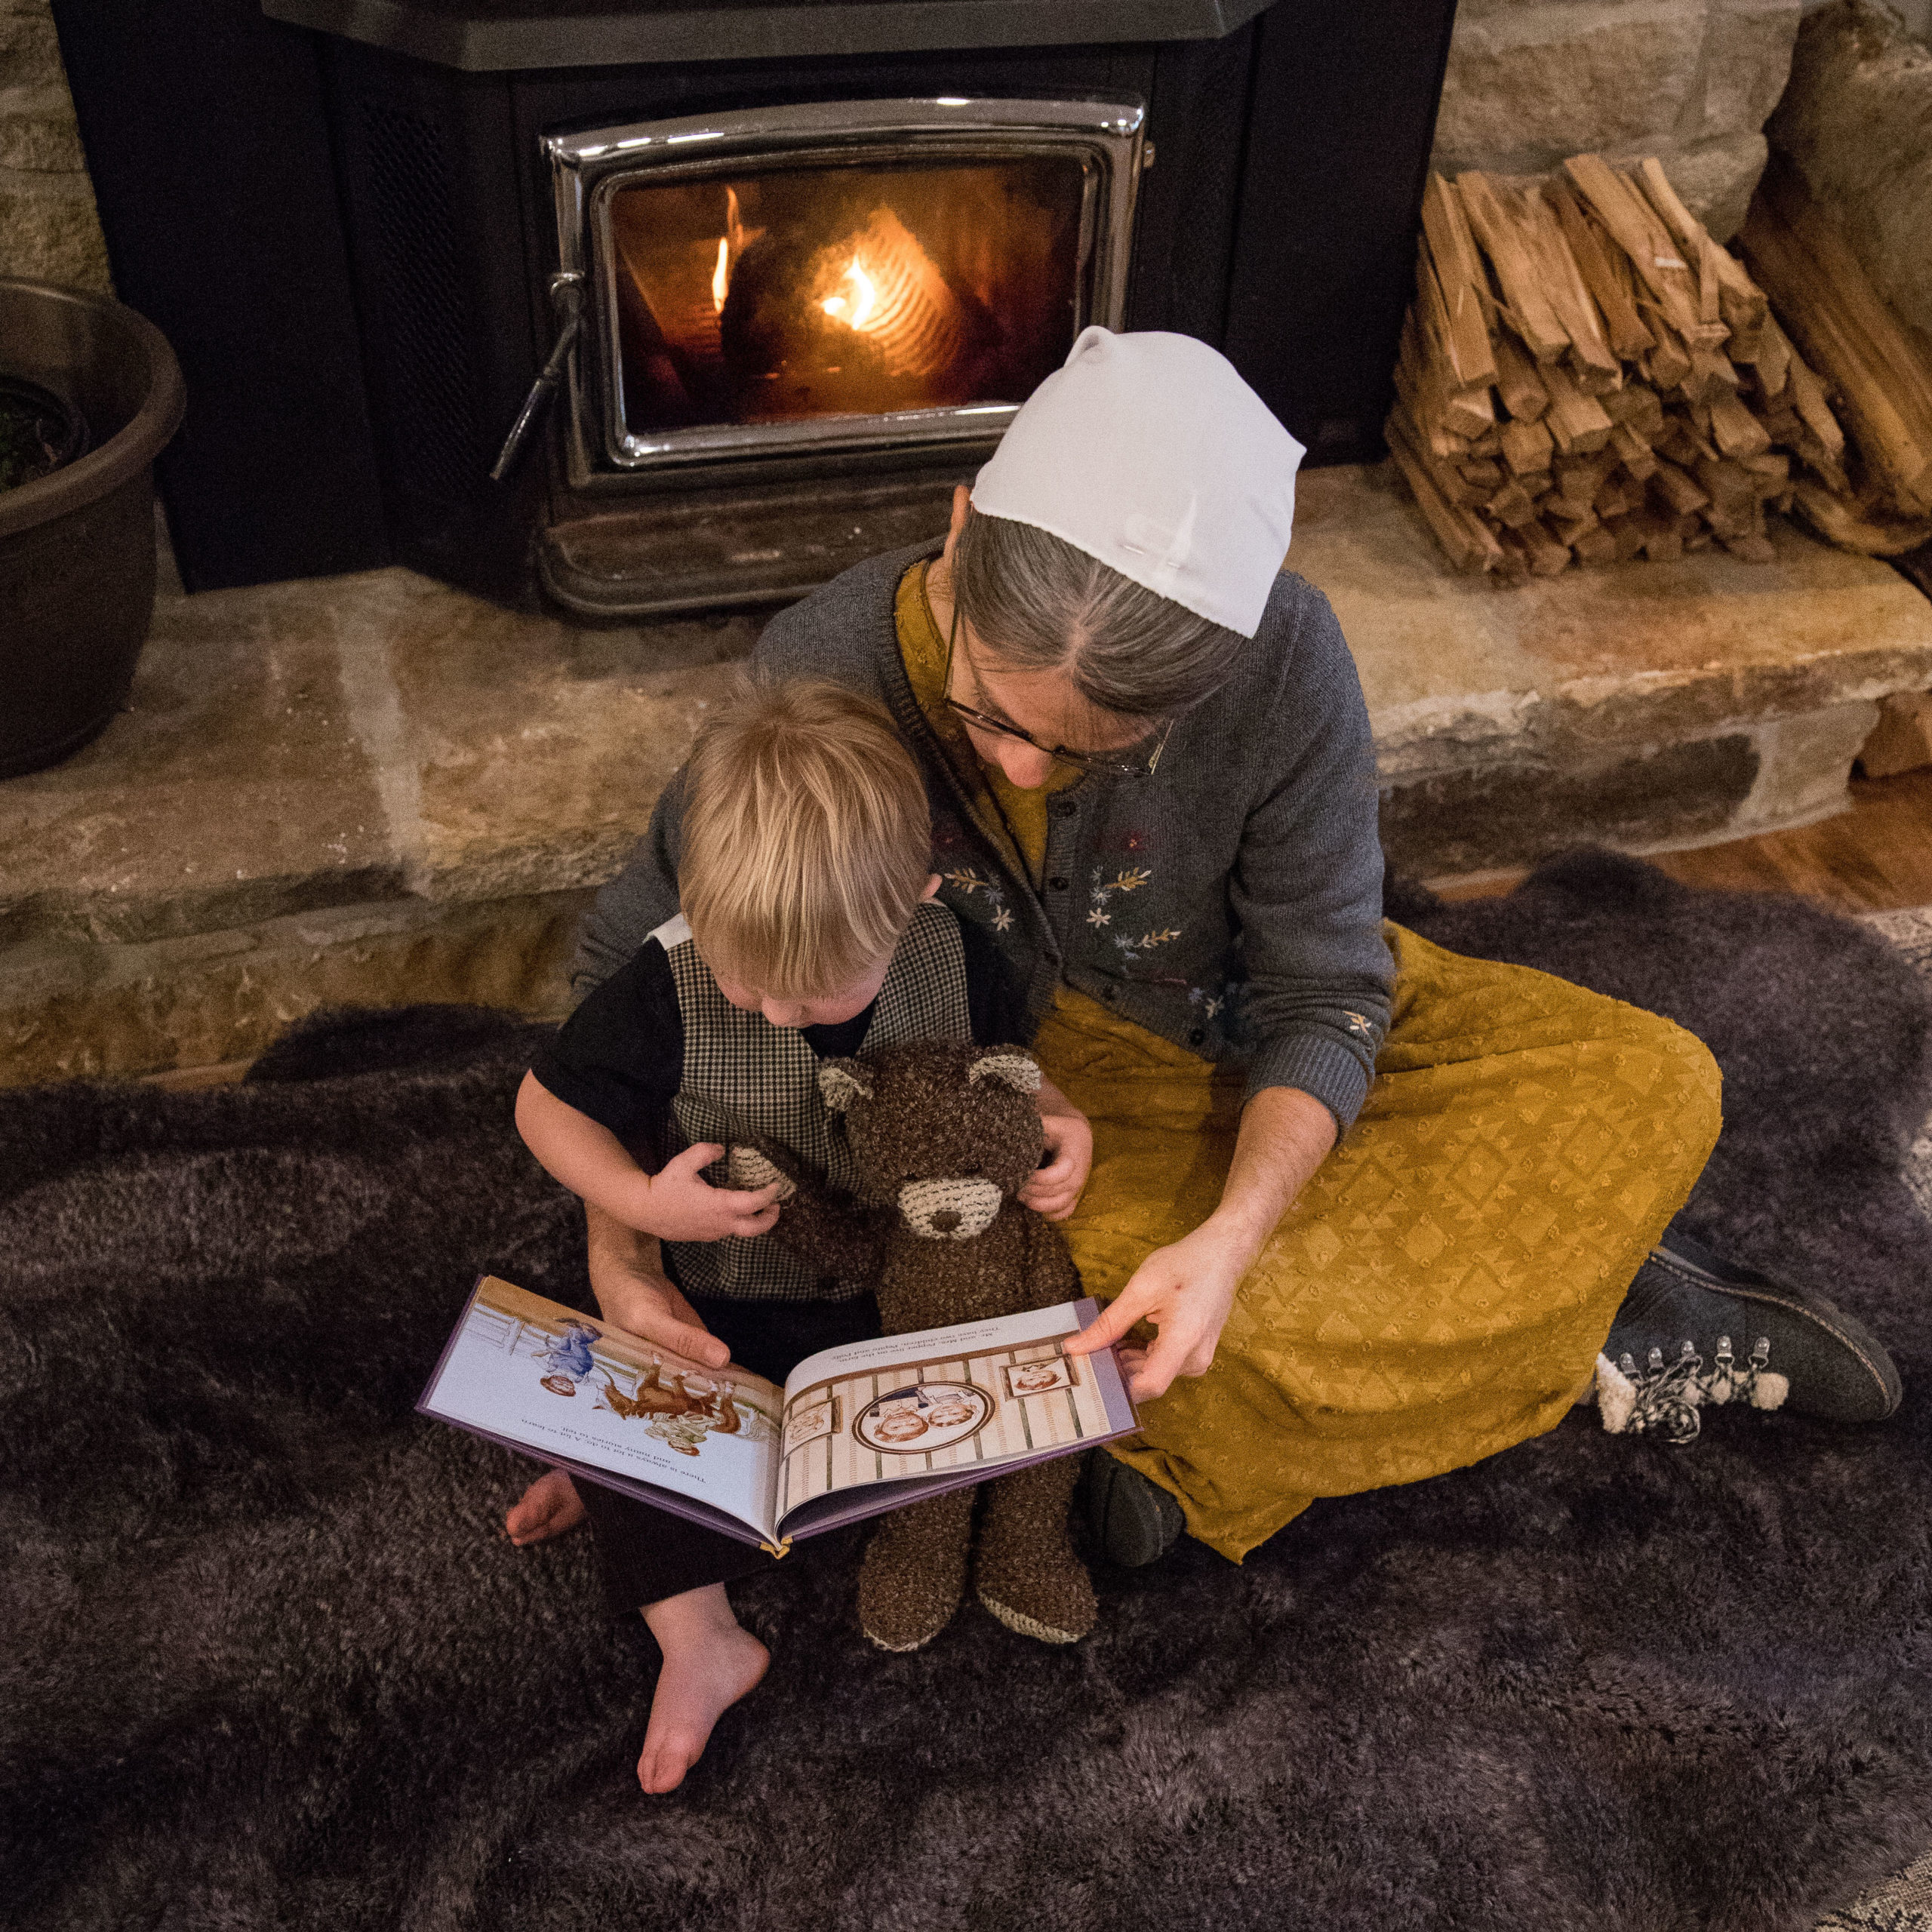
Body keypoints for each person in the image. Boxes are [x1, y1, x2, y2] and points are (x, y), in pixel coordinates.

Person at [528, 327, 1903, 1733]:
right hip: (1034, 1099)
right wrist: (622, 1254)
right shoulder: (821, 665)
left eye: (1086, 750)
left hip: (1240, 1034)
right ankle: (1574, 1312)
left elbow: (1327, 987)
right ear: (961, 522)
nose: (1014, 767)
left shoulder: (1285, 654)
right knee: (1010, 1281)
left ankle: (1404, 1368)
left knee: (1651, 1083)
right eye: (989, 710)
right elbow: (625, 971)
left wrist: (1235, 1235)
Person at [508, 678, 1089, 1795]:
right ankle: (702, 1640)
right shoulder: (665, 983)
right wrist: (640, 1209)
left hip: (903, 1286)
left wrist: (1063, 1126)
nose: (772, 1013)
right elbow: (548, 1107)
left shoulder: (960, 955)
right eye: (745, 982)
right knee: (643, 1392)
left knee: (981, 1400)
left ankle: (646, 1483)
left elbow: (1016, 1078)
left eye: (815, 994)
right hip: (724, 1293)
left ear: (917, 899)